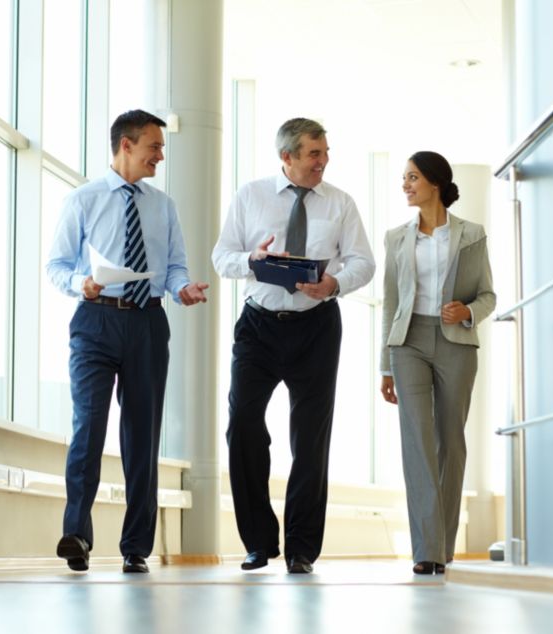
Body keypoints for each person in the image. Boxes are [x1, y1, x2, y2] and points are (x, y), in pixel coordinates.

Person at [45, 109, 209, 574]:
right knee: (88, 427)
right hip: (95, 321)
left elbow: (175, 265)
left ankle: (135, 546)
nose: (160, 155)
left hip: (148, 325)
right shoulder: (84, 199)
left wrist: (183, 288)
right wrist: (82, 284)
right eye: (154, 147)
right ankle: (77, 534)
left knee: (142, 436)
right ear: (126, 146)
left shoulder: (164, 205)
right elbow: (57, 265)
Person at [212, 117, 376, 574]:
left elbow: (364, 261)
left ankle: (301, 548)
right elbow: (221, 256)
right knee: (243, 423)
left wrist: (335, 283)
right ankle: (258, 541)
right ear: (287, 157)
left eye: (325, 153)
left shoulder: (340, 203)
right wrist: (253, 259)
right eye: (314, 154)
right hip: (259, 327)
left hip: (317, 328)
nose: (323, 161)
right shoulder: (251, 196)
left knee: (310, 438)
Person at [379, 151, 495, 575]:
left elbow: (488, 295)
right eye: (404, 178)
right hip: (407, 343)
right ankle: (426, 550)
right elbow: (391, 303)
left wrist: (465, 311)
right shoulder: (396, 237)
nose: (406, 185)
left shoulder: (471, 234)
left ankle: (441, 544)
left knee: (451, 441)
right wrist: (385, 365)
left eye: (412, 178)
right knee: (417, 442)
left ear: (435, 183)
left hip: (456, 345)